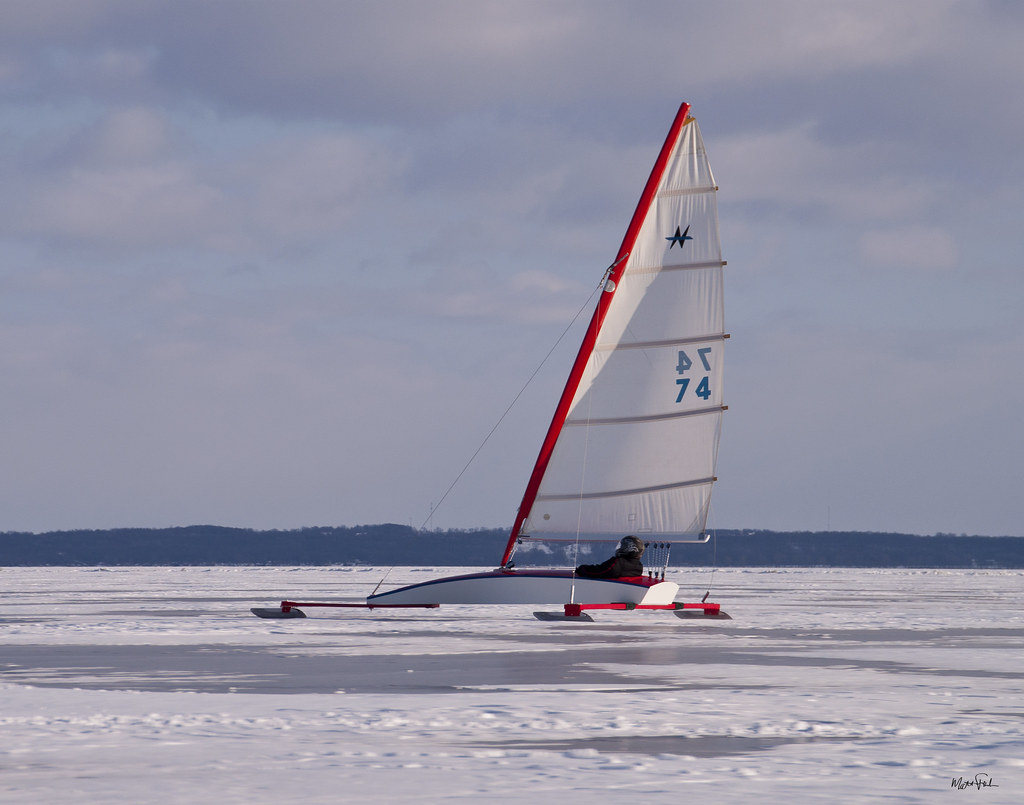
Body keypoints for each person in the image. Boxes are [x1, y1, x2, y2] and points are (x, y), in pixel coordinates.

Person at [575, 535, 645, 579]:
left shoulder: (618, 563)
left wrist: (582, 569)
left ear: (630, 549)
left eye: (623, 546)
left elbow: (600, 571)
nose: (620, 548)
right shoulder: (638, 566)